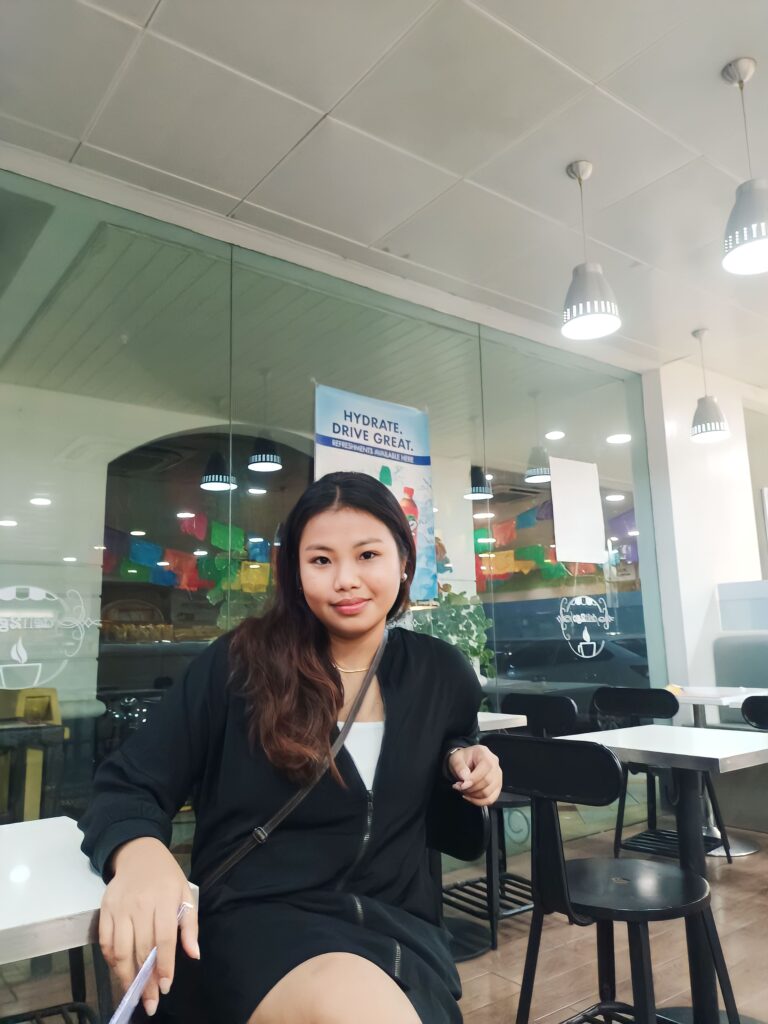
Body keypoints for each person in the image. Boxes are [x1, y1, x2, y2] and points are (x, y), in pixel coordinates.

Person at [79, 471, 502, 1024]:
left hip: (398, 928)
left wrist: (465, 763)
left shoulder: (440, 672)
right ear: (296, 573)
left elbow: (451, 753)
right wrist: (141, 857)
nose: (346, 580)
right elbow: (130, 782)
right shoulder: (239, 665)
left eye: (368, 555)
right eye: (321, 560)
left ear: (404, 561)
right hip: (257, 923)